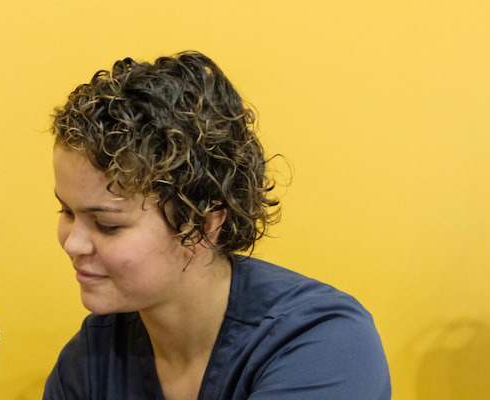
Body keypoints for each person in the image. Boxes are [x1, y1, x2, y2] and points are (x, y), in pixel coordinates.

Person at [42, 51, 390, 399]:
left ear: (203, 223)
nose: (73, 243)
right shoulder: (91, 358)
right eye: (67, 212)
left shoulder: (323, 343)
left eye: (107, 225)